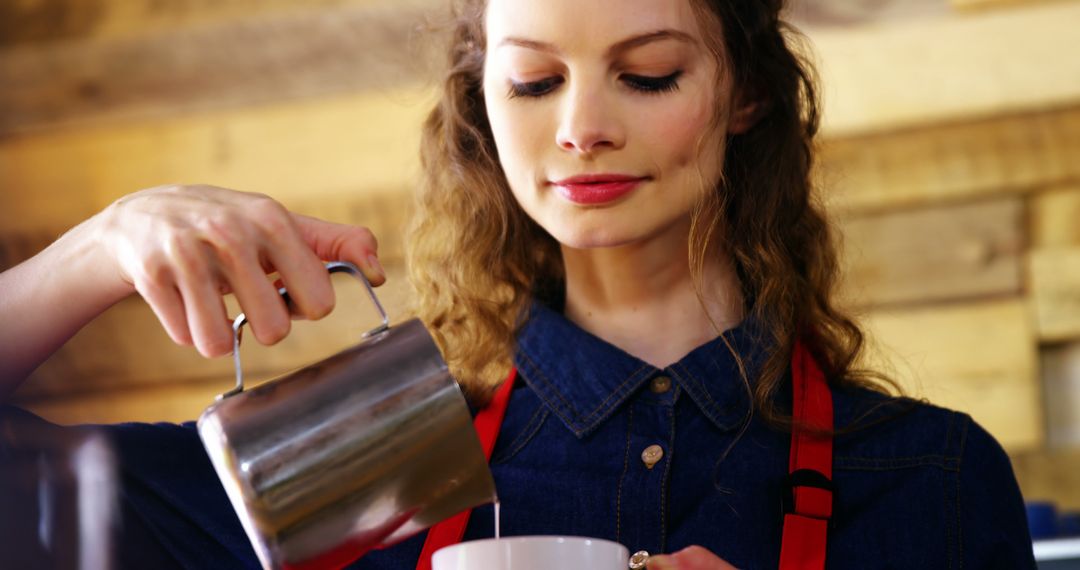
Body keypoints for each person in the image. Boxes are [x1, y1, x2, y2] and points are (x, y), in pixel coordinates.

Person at [0, 0, 1036, 568]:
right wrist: (91, 252)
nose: (581, 126)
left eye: (648, 73)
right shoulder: (363, 467)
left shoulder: (932, 484)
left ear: (746, 95)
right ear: (483, 105)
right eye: (535, 81)